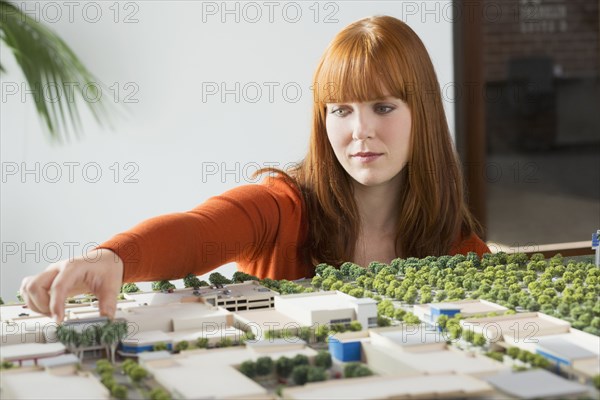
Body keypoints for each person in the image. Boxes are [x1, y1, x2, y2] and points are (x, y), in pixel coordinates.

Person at [20, 15, 489, 322]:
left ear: (422, 115)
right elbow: (196, 230)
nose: (359, 130)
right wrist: (111, 258)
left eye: (383, 107)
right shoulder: (282, 207)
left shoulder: (458, 245)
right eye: (340, 110)